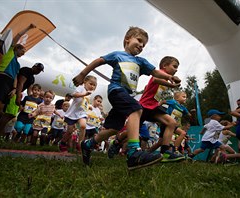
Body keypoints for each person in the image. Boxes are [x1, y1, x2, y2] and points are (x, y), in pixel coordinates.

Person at [73, 27, 181, 170]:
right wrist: (82, 74)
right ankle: (133, 153)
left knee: (114, 128)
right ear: (127, 39)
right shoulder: (118, 55)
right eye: (139, 41)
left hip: (127, 96)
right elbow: (98, 61)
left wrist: (169, 77)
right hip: (116, 90)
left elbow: (155, 72)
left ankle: (87, 144)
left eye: (144, 44)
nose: (141, 45)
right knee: (136, 109)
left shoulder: (141, 62)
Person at [0, 24, 36, 140]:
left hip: (9, 83)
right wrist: (28, 28)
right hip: (2, 78)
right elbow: (18, 35)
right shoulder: (10, 52)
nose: (23, 53)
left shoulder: (18, 64)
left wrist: (14, 89)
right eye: (23, 50)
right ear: (17, 48)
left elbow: (15, 76)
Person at [135, 56, 184, 162]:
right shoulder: (158, 73)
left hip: (154, 107)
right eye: (174, 66)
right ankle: (118, 141)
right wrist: (172, 85)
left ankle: (165, 153)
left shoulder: (166, 78)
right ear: (164, 66)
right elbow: (156, 80)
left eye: (177, 68)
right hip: (144, 106)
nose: (176, 70)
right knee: (133, 129)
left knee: (171, 123)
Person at [59, 75, 97, 152]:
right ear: (85, 82)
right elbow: (74, 95)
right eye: (91, 84)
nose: (92, 86)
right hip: (72, 113)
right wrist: (84, 94)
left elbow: (84, 102)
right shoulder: (81, 88)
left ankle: (80, 144)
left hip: (81, 113)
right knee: (69, 131)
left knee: (83, 126)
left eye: (94, 85)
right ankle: (62, 143)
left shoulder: (89, 93)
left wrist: (88, 106)